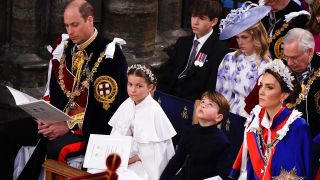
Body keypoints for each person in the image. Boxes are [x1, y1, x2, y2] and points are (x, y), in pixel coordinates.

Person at [0, 0, 128, 179]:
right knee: (5, 132)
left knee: (56, 146)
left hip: (88, 130)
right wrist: (44, 118)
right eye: (67, 25)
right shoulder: (65, 48)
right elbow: (54, 94)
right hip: (56, 121)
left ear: (90, 20)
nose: (70, 31)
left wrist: (68, 125)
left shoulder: (109, 56)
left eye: (75, 25)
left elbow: (106, 113)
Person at [229, 59, 314, 179]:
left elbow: (300, 170)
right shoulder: (255, 118)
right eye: (261, 85)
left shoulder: (297, 126)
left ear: (284, 95)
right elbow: (245, 165)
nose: (261, 92)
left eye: (269, 87)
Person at [108, 64, 176, 180]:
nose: (133, 90)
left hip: (144, 161)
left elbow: (152, 153)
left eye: (139, 86)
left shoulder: (153, 111)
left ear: (150, 88)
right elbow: (117, 133)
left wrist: (130, 160)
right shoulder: (127, 103)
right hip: (126, 153)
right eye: (130, 84)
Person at [157, 0, 228, 101]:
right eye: (193, 16)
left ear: (213, 22)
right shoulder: (182, 43)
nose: (195, 22)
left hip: (195, 104)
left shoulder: (219, 50)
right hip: (170, 97)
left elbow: (211, 87)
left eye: (201, 18)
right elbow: (168, 72)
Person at [160, 91, 232, 180]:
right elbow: (177, 160)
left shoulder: (222, 142)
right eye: (202, 101)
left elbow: (223, 175)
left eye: (210, 105)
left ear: (218, 117)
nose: (203, 105)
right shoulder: (189, 131)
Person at [217, 2, 271, 118]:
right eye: (237, 37)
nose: (239, 42)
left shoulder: (267, 65)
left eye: (244, 37)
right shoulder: (229, 59)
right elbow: (222, 95)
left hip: (254, 119)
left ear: (256, 37)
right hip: (227, 115)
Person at [282, 28, 320, 138]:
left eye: (294, 58)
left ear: (309, 52)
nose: (289, 63)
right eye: (286, 56)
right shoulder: (281, 68)